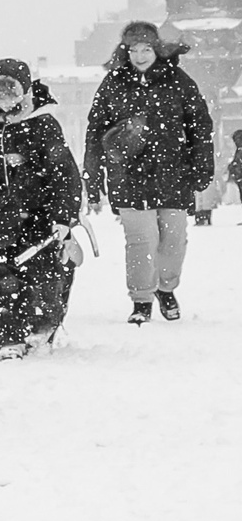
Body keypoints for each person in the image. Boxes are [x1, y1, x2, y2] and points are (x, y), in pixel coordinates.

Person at [83, 21, 216, 325]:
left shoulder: (179, 82)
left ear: (156, 49)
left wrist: (201, 166)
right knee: (141, 239)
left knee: (174, 238)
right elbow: (95, 132)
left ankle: (166, 289)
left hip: (173, 172)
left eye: (146, 49)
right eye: (134, 50)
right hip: (128, 175)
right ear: (125, 52)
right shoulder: (113, 83)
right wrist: (92, 176)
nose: (140, 55)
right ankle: (142, 298)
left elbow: (200, 126)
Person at [0, 59, 85, 357]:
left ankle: (39, 328)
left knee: (39, 277)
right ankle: (5, 335)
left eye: (7, 90)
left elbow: (63, 174)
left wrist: (64, 217)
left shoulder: (43, 124)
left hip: (37, 218)